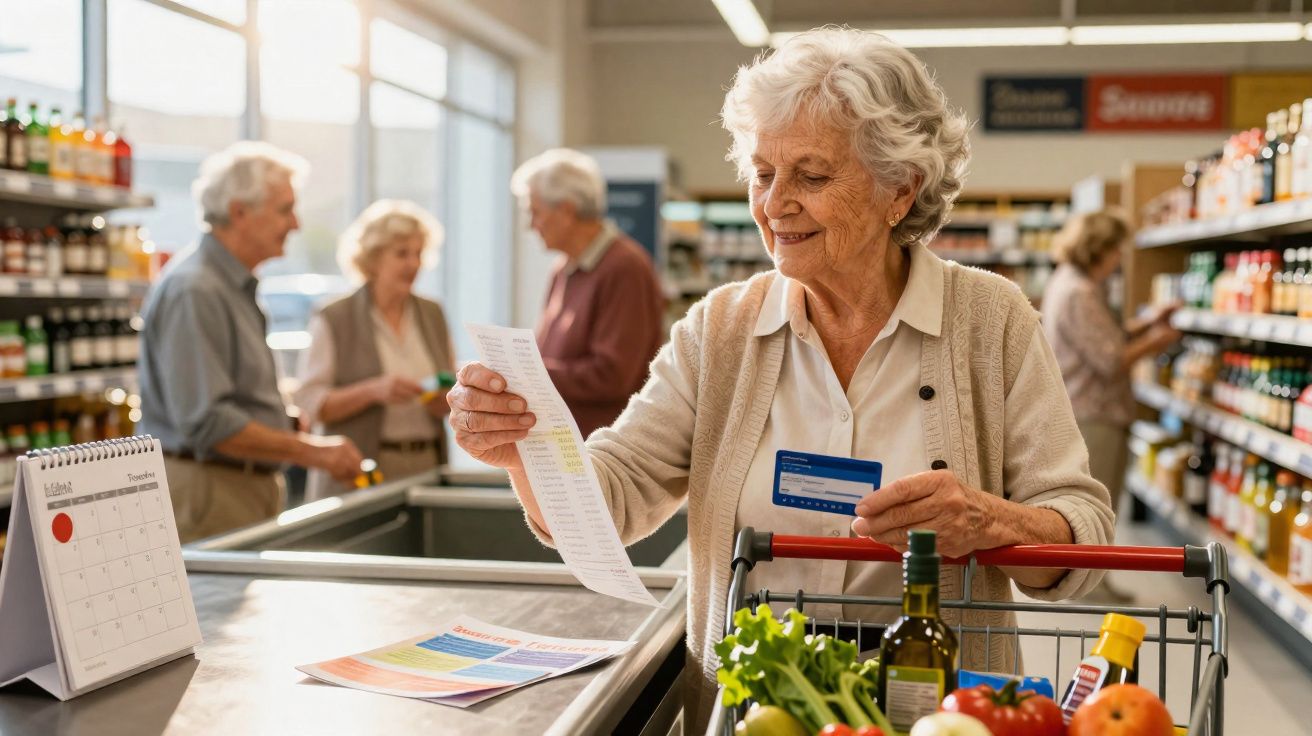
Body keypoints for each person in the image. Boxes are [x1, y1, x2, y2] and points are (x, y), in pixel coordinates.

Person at [449, 29, 1114, 730]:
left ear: (900, 190)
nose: (773, 204)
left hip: (939, 714)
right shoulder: (722, 330)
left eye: (812, 176)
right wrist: (521, 449)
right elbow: (612, 497)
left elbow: (1082, 538)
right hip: (753, 712)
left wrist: (989, 521)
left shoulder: (991, 321)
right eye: (762, 173)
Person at [138, 141, 364, 543]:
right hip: (209, 492)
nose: (295, 224)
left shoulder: (231, 284)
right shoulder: (197, 290)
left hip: (238, 486)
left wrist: (282, 418)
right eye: (284, 209)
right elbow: (207, 423)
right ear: (239, 212)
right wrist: (313, 451)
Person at [1042, 210, 1181, 601]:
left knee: (1098, 503)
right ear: (1099, 249)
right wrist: (1158, 340)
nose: (1119, 258)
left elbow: (1104, 336)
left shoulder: (1072, 283)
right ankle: (1088, 588)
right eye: (1116, 249)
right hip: (1094, 413)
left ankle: (1095, 581)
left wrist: (1148, 322)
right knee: (1096, 508)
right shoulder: (1080, 292)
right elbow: (1110, 358)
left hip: (1089, 409)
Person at [294, 200, 456, 501]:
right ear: (372, 259)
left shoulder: (433, 314)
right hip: (359, 472)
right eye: (402, 254)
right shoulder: (334, 317)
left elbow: (451, 385)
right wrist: (373, 391)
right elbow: (310, 402)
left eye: (419, 253)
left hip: (426, 465)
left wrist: (445, 400)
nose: (414, 264)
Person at [510, 148, 665, 437]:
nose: (530, 226)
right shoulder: (563, 268)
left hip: (601, 451)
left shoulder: (625, 268)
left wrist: (524, 374)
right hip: (563, 444)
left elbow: (613, 376)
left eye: (535, 212)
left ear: (566, 211)